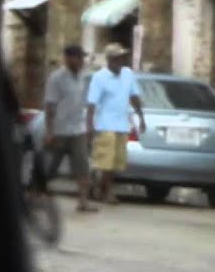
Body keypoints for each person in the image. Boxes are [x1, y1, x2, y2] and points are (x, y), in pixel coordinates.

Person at [87, 44, 145, 205]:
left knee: (115, 163)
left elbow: (134, 97)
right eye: (117, 58)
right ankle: (107, 192)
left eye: (122, 57)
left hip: (122, 124)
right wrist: (89, 125)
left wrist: (141, 117)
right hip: (105, 125)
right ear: (110, 59)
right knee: (106, 161)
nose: (121, 61)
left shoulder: (128, 74)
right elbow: (92, 103)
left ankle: (99, 187)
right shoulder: (99, 77)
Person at [43, 45, 96, 213]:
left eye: (82, 57)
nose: (81, 61)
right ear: (68, 58)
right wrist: (50, 131)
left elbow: (87, 103)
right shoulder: (56, 77)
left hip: (77, 129)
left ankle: (83, 201)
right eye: (78, 57)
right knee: (51, 166)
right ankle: (35, 193)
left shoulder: (84, 77)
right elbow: (50, 105)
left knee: (82, 165)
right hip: (60, 129)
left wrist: (89, 126)